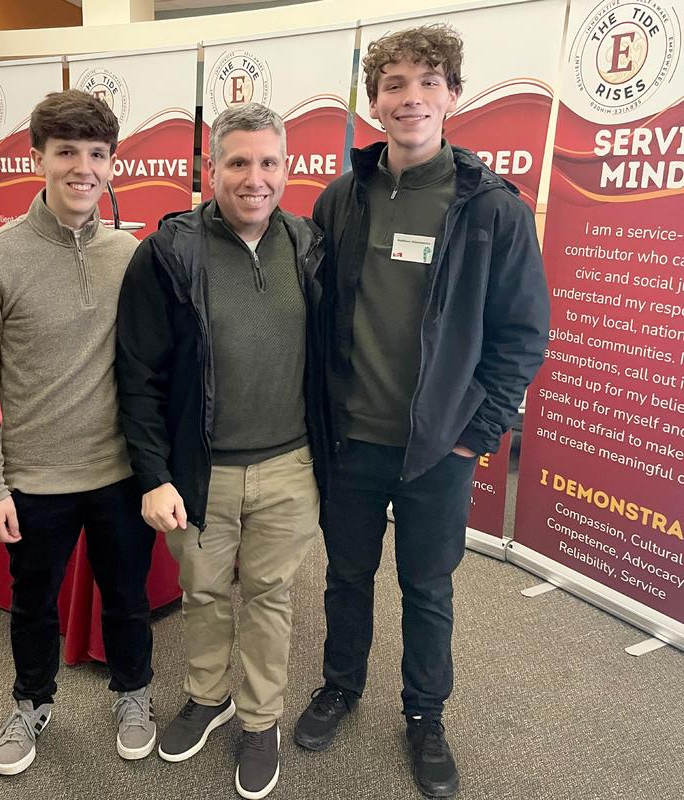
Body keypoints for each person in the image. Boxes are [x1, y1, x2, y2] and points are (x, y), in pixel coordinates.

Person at [293, 25, 550, 799]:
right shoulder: (342, 198)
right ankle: (341, 686)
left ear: (453, 97)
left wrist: (476, 435)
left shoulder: (492, 210)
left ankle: (425, 715)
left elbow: (522, 332)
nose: (411, 98)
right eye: (395, 84)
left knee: (428, 586)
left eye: (428, 82)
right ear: (373, 103)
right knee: (346, 574)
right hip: (352, 438)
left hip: (439, 446)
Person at [115, 102, 324, 800]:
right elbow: (138, 376)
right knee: (203, 591)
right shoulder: (169, 252)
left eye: (269, 163)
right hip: (199, 471)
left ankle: (260, 718)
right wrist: (154, 474)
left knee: (269, 597)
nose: (254, 178)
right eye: (238, 162)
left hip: (291, 464)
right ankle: (208, 697)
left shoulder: (307, 244)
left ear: (287, 169)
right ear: (211, 169)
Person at [0, 89, 156, 776]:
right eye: (66, 151)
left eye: (96, 154)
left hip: (120, 474)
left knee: (129, 599)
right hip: (34, 479)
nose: (82, 167)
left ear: (110, 163)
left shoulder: (130, 254)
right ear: (36, 156)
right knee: (32, 605)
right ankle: (32, 702)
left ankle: (133, 695)